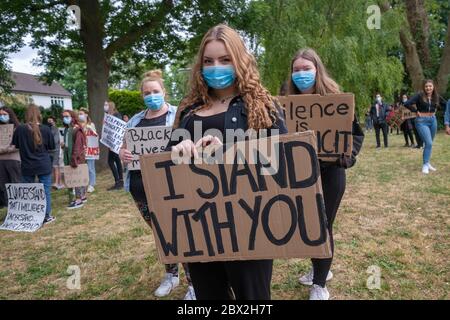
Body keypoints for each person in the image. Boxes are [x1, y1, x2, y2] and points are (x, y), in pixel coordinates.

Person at [167, 24, 287, 300]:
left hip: (250, 225)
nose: (215, 67)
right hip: (199, 229)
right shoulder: (188, 109)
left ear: (239, 61)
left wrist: (233, 152)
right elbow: (165, 166)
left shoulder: (263, 105)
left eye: (224, 59)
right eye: (208, 61)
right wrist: (177, 149)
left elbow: (285, 157)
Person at [285, 48, 364, 300]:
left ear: (317, 70)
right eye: (296, 70)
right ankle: (320, 268)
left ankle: (320, 284)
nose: (301, 74)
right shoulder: (285, 103)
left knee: (323, 225)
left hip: (331, 173)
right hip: (300, 173)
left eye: (306, 69)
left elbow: (355, 134)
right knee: (308, 223)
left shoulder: (335, 101)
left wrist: (347, 156)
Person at [119, 69, 195, 300]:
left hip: (173, 186)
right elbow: (125, 146)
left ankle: (195, 283)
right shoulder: (135, 120)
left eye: (155, 91)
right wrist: (123, 153)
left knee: (182, 232)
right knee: (162, 234)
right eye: (146, 93)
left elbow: (191, 148)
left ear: (164, 92)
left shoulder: (179, 116)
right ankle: (171, 275)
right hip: (141, 187)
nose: (151, 96)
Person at [12, 104, 55, 223]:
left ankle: (31, 215)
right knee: (45, 191)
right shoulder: (46, 129)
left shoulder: (20, 129)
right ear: (39, 115)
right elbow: (52, 147)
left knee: (28, 191)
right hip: (43, 165)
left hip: (27, 165)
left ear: (27, 115)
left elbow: (15, 145)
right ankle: (46, 216)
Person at [404, 79, 447, 174]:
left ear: (433, 87)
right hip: (421, 121)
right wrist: (415, 111)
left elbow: (446, 105)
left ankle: (427, 163)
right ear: (424, 87)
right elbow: (407, 103)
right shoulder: (419, 95)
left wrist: (442, 113)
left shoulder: (436, 96)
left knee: (429, 144)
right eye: (426, 86)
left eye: (430, 86)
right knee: (429, 143)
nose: (428, 88)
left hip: (433, 120)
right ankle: (425, 165)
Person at [62, 110, 87, 208]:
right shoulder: (67, 129)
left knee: (77, 177)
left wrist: (74, 158)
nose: (65, 118)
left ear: (72, 117)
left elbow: (78, 145)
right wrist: (64, 145)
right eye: (63, 116)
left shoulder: (77, 129)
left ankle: (79, 199)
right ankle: (80, 196)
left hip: (76, 157)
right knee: (73, 177)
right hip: (69, 155)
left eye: (67, 116)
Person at [0, 107, 21, 209]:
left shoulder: (17, 128)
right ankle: (10, 209)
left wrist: (4, 149)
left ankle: (20, 207)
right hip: (1, 162)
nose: (2, 116)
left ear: (10, 115)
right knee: (4, 187)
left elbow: (18, 145)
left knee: (16, 184)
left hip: (14, 160)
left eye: (4, 114)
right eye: (0, 115)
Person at [104, 101, 124, 190]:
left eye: (106, 105)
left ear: (110, 106)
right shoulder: (114, 115)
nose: (104, 107)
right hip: (114, 142)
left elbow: (116, 130)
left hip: (115, 143)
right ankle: (120, 181)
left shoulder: (115, 115)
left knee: (111, 161)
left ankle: (118, 181)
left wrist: (112, 143)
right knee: (116, 160)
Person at [79, 108, 97, 193]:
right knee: (82, 167)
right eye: (79, 114)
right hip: (81, 149)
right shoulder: (78, 125)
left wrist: (89, 128)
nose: (80, 115)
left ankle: (92, 184)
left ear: (86, 114)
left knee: (90, 167)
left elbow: (95, 135)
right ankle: (83, 183)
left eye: (81, 113)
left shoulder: (91, 124)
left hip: (90, 149)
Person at [46, 116, 64, 189]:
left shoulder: (56, 129)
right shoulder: (47, 129)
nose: (50, 123)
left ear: (54, 122)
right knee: (54, 167)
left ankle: (57, 183)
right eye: (48, 121)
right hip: (50, 151)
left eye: (51, 121)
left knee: (56, 166)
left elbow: (56, 141)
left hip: (56, 150)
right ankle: (58, 182)